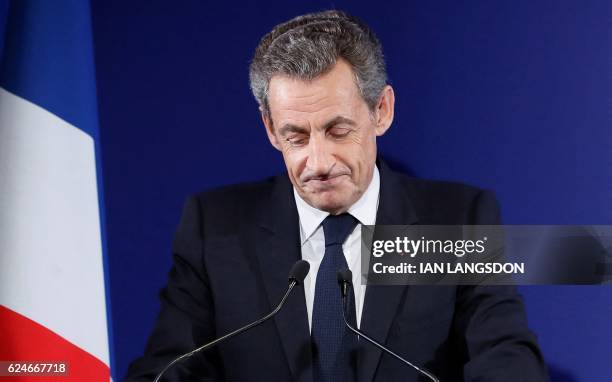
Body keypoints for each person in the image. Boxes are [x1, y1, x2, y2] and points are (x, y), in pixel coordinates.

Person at [126, 10, 547, 382]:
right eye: (296, 136)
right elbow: (167, 370)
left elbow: (505, 356)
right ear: (271, 129)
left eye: (338, 131)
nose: (319, 161)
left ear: (381, 110)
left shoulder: (459, 220)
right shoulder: (215, 229)